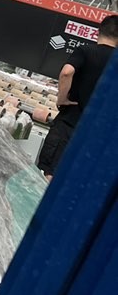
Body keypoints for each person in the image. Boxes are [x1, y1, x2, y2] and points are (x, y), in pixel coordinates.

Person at [37, 14, 118, 179]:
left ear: (99, 31)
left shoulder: (85, 51)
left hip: (69, 122)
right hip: (98, 131)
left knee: (50, 175)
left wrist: (62, 99)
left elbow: (67, 72)